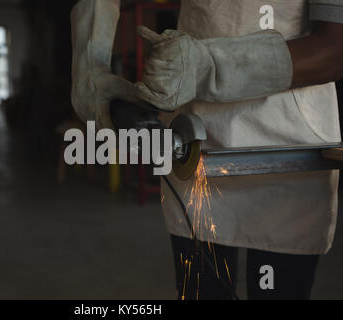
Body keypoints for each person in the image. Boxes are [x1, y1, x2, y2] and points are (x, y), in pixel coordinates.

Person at [70, 0, 343, 300]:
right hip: (195, 139)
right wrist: (90, 62)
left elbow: (333, 50)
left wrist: (209, 66)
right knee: (202, 293)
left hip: (287, 150)